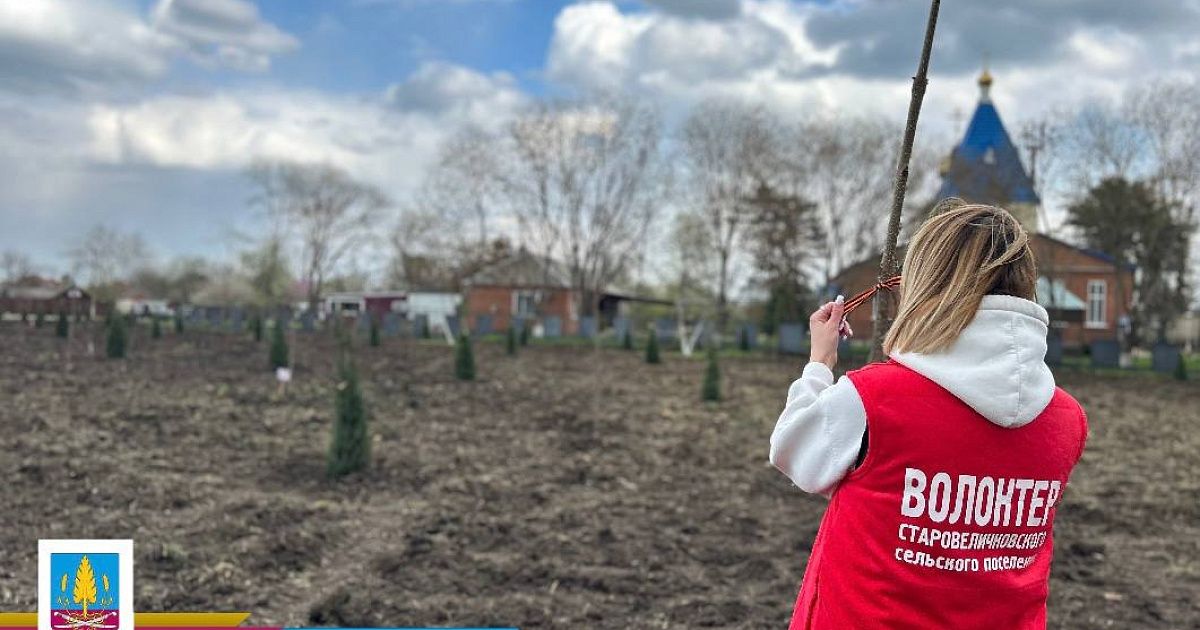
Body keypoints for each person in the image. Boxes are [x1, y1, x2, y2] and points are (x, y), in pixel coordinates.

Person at [770, 202, 1087, 629]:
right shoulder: (1066, 420)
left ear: (927, 283)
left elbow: (793, 451)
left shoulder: (874, 399)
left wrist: (819, 364)